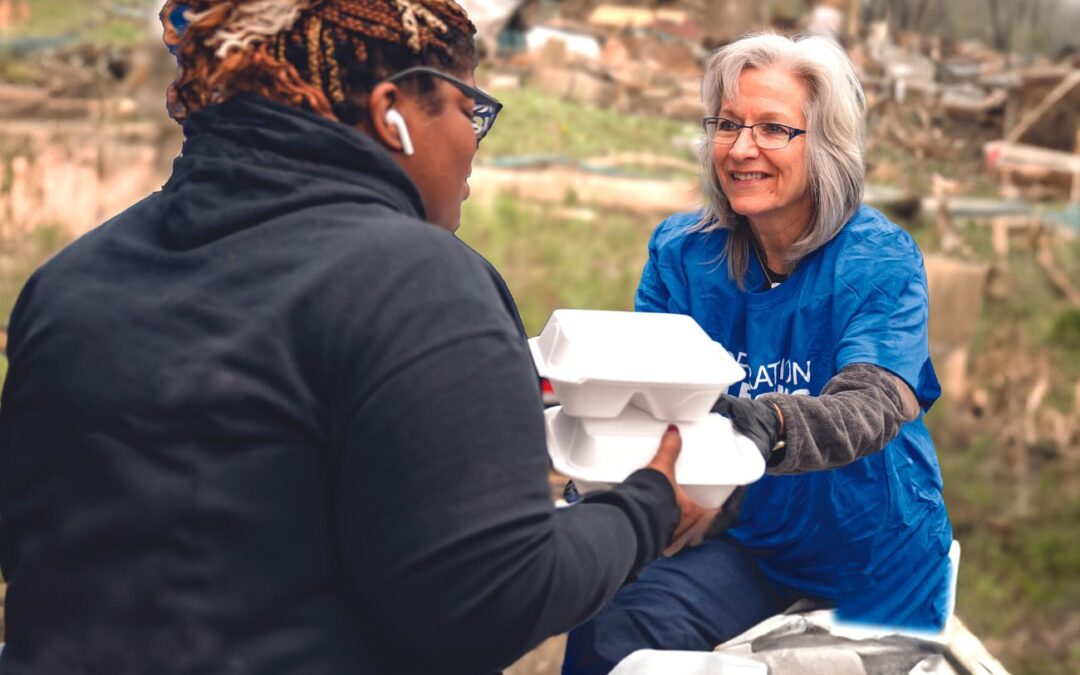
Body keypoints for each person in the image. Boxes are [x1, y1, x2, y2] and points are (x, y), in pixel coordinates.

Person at [0, 2, 711, 673]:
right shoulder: (419, 284)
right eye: (469, 109)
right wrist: (647, 506)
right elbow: (491, 600)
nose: (474, 141)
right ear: (392, 110)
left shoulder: (67, 281)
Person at [563, 33, 954, 674]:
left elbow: (875, 403)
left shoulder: (878, 259)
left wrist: (763, 424)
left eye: (774, 128)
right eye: (728, 124)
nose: (742, 148)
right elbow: (651, 401)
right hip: (748, 538)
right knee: (612, 628)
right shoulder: (683, 255)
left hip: (870, 557)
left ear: (825, 146)